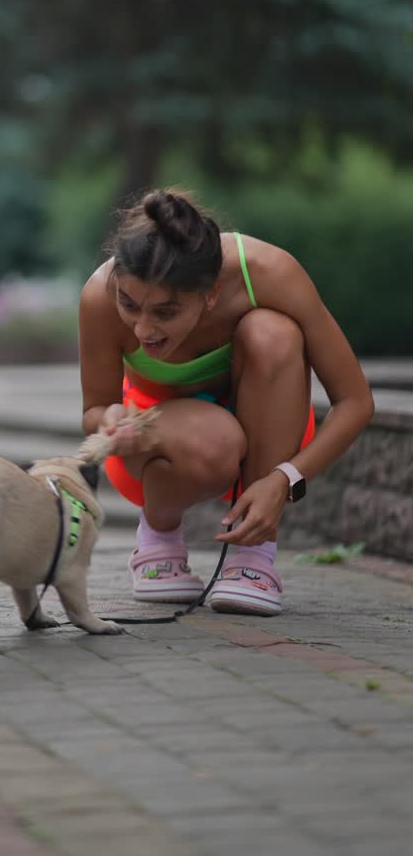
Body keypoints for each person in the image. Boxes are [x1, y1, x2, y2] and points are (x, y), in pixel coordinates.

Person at [78, 188, 374, 616]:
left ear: (212, 293)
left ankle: (253, 559)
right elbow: (93, 409)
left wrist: (285, 478)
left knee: (274, 332)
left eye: (165, 312)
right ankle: (158, 540)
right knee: (218, 436)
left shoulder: (270, 272)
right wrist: (111, 420)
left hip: (272, 428)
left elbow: (355, 401)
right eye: (130, 305)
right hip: (160, 443)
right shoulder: (99, 296)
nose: (143, 330)